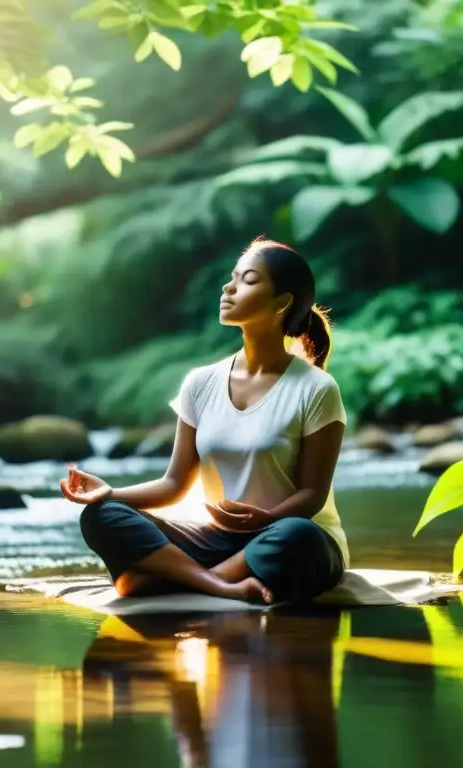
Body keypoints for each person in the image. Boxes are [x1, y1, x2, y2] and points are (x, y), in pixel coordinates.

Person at [60, 238, 349, 605]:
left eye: (247, 280)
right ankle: (219, 585)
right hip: (218, 541)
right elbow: (174, 484)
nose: (229, 287)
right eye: (232, 278)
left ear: (282, 302)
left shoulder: (317, 388)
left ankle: (173, 579)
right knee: (101, 516)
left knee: (299, 537)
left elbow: (311, 496)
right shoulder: (200, 382)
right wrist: (109, 493)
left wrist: (266, 519)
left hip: (287, 537)